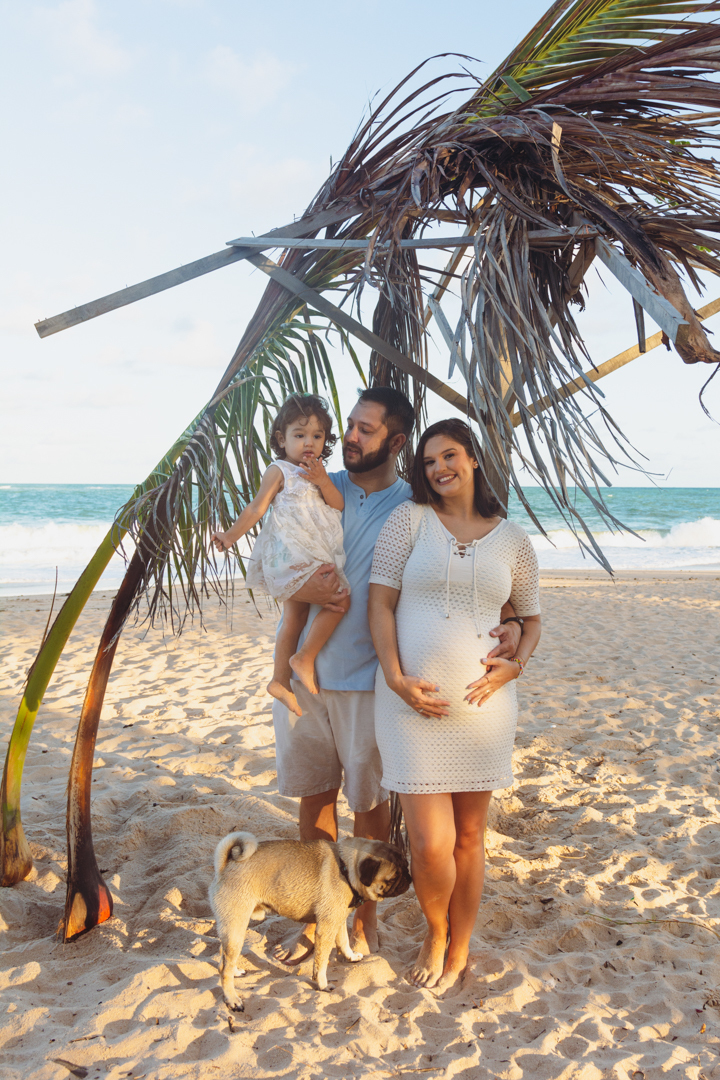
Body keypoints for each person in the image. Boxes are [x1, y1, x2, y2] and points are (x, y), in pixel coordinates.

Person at [270, 392, 523, 962]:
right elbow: (271, 554)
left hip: (369, 681)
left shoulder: (415, 507)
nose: (350, 438)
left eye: (365, 429)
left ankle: (364, 920)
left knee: (368, 808)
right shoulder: (313, 481)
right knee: (313, 802)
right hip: (303, 676)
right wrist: (295, 588)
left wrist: (511, 632)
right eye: (351, 427)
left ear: (397, 440)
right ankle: (319, 918)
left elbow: (476, 577)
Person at [368, 418, 541, 991]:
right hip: (409, 705)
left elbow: (530, 617)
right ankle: (434, 930)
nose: (439, 468)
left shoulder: (512, 538)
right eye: (429, 462)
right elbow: (380, 604)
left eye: (449, 456)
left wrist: (517, 662)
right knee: (428, 842)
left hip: (484, 709)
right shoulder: (409, 520)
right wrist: (394, 677)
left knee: (470, 838)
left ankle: (459, 944)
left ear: (472, 459)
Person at [210, 393, 350, 719]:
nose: (308, 443)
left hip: (311, 554)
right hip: (291, 557)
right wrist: (231, 536)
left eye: (316, 436)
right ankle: (305, 657)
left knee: (295, 618)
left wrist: (322, 480)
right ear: (281, 439)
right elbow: (256, 507)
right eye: (299, 435)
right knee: (340, 599)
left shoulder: (319, 472)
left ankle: (279, 681)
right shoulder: (280, 470)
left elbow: (338, 504)